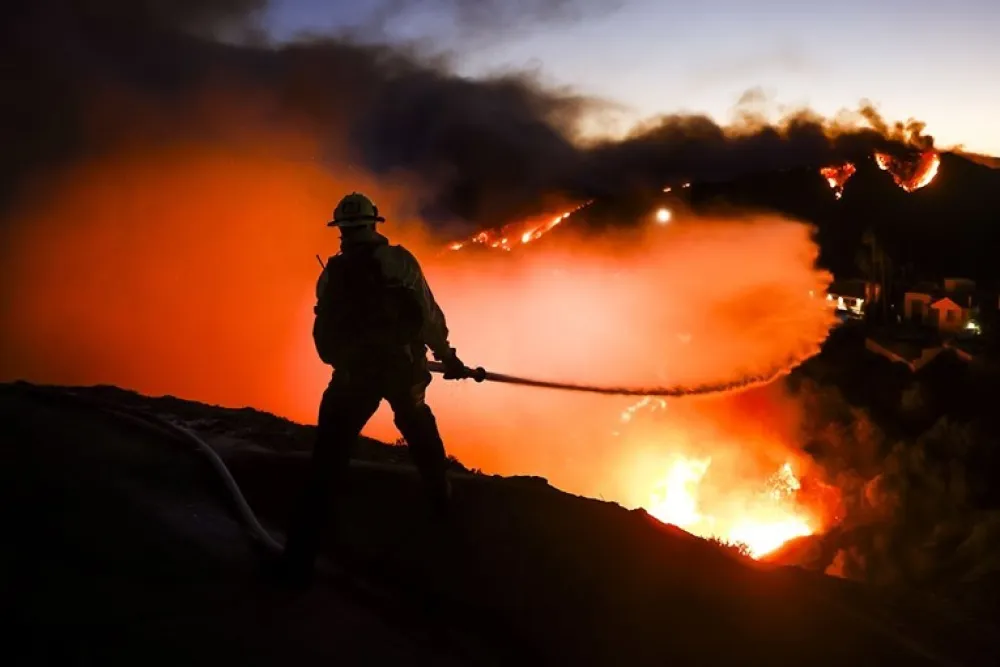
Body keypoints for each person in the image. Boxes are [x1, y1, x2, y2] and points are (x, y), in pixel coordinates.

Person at [275, 192, 469, 587]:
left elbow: (328, 330)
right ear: (374, 224)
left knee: (326, 462)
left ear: (341, 231)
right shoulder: (399, 261)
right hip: (403, 370)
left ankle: (298, 563)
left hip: (352, 377)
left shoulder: (331, 273)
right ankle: (443, 508)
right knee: (418, 427)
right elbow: (428, 316)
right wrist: (448, 358)